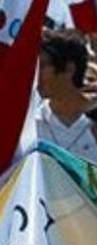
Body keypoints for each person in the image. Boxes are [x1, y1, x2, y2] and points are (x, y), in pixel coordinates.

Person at [35, 30, 97, 161]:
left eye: (42, 67)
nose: (35, 76)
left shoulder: (92, 122)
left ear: (69, 69)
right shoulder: (31, 124)